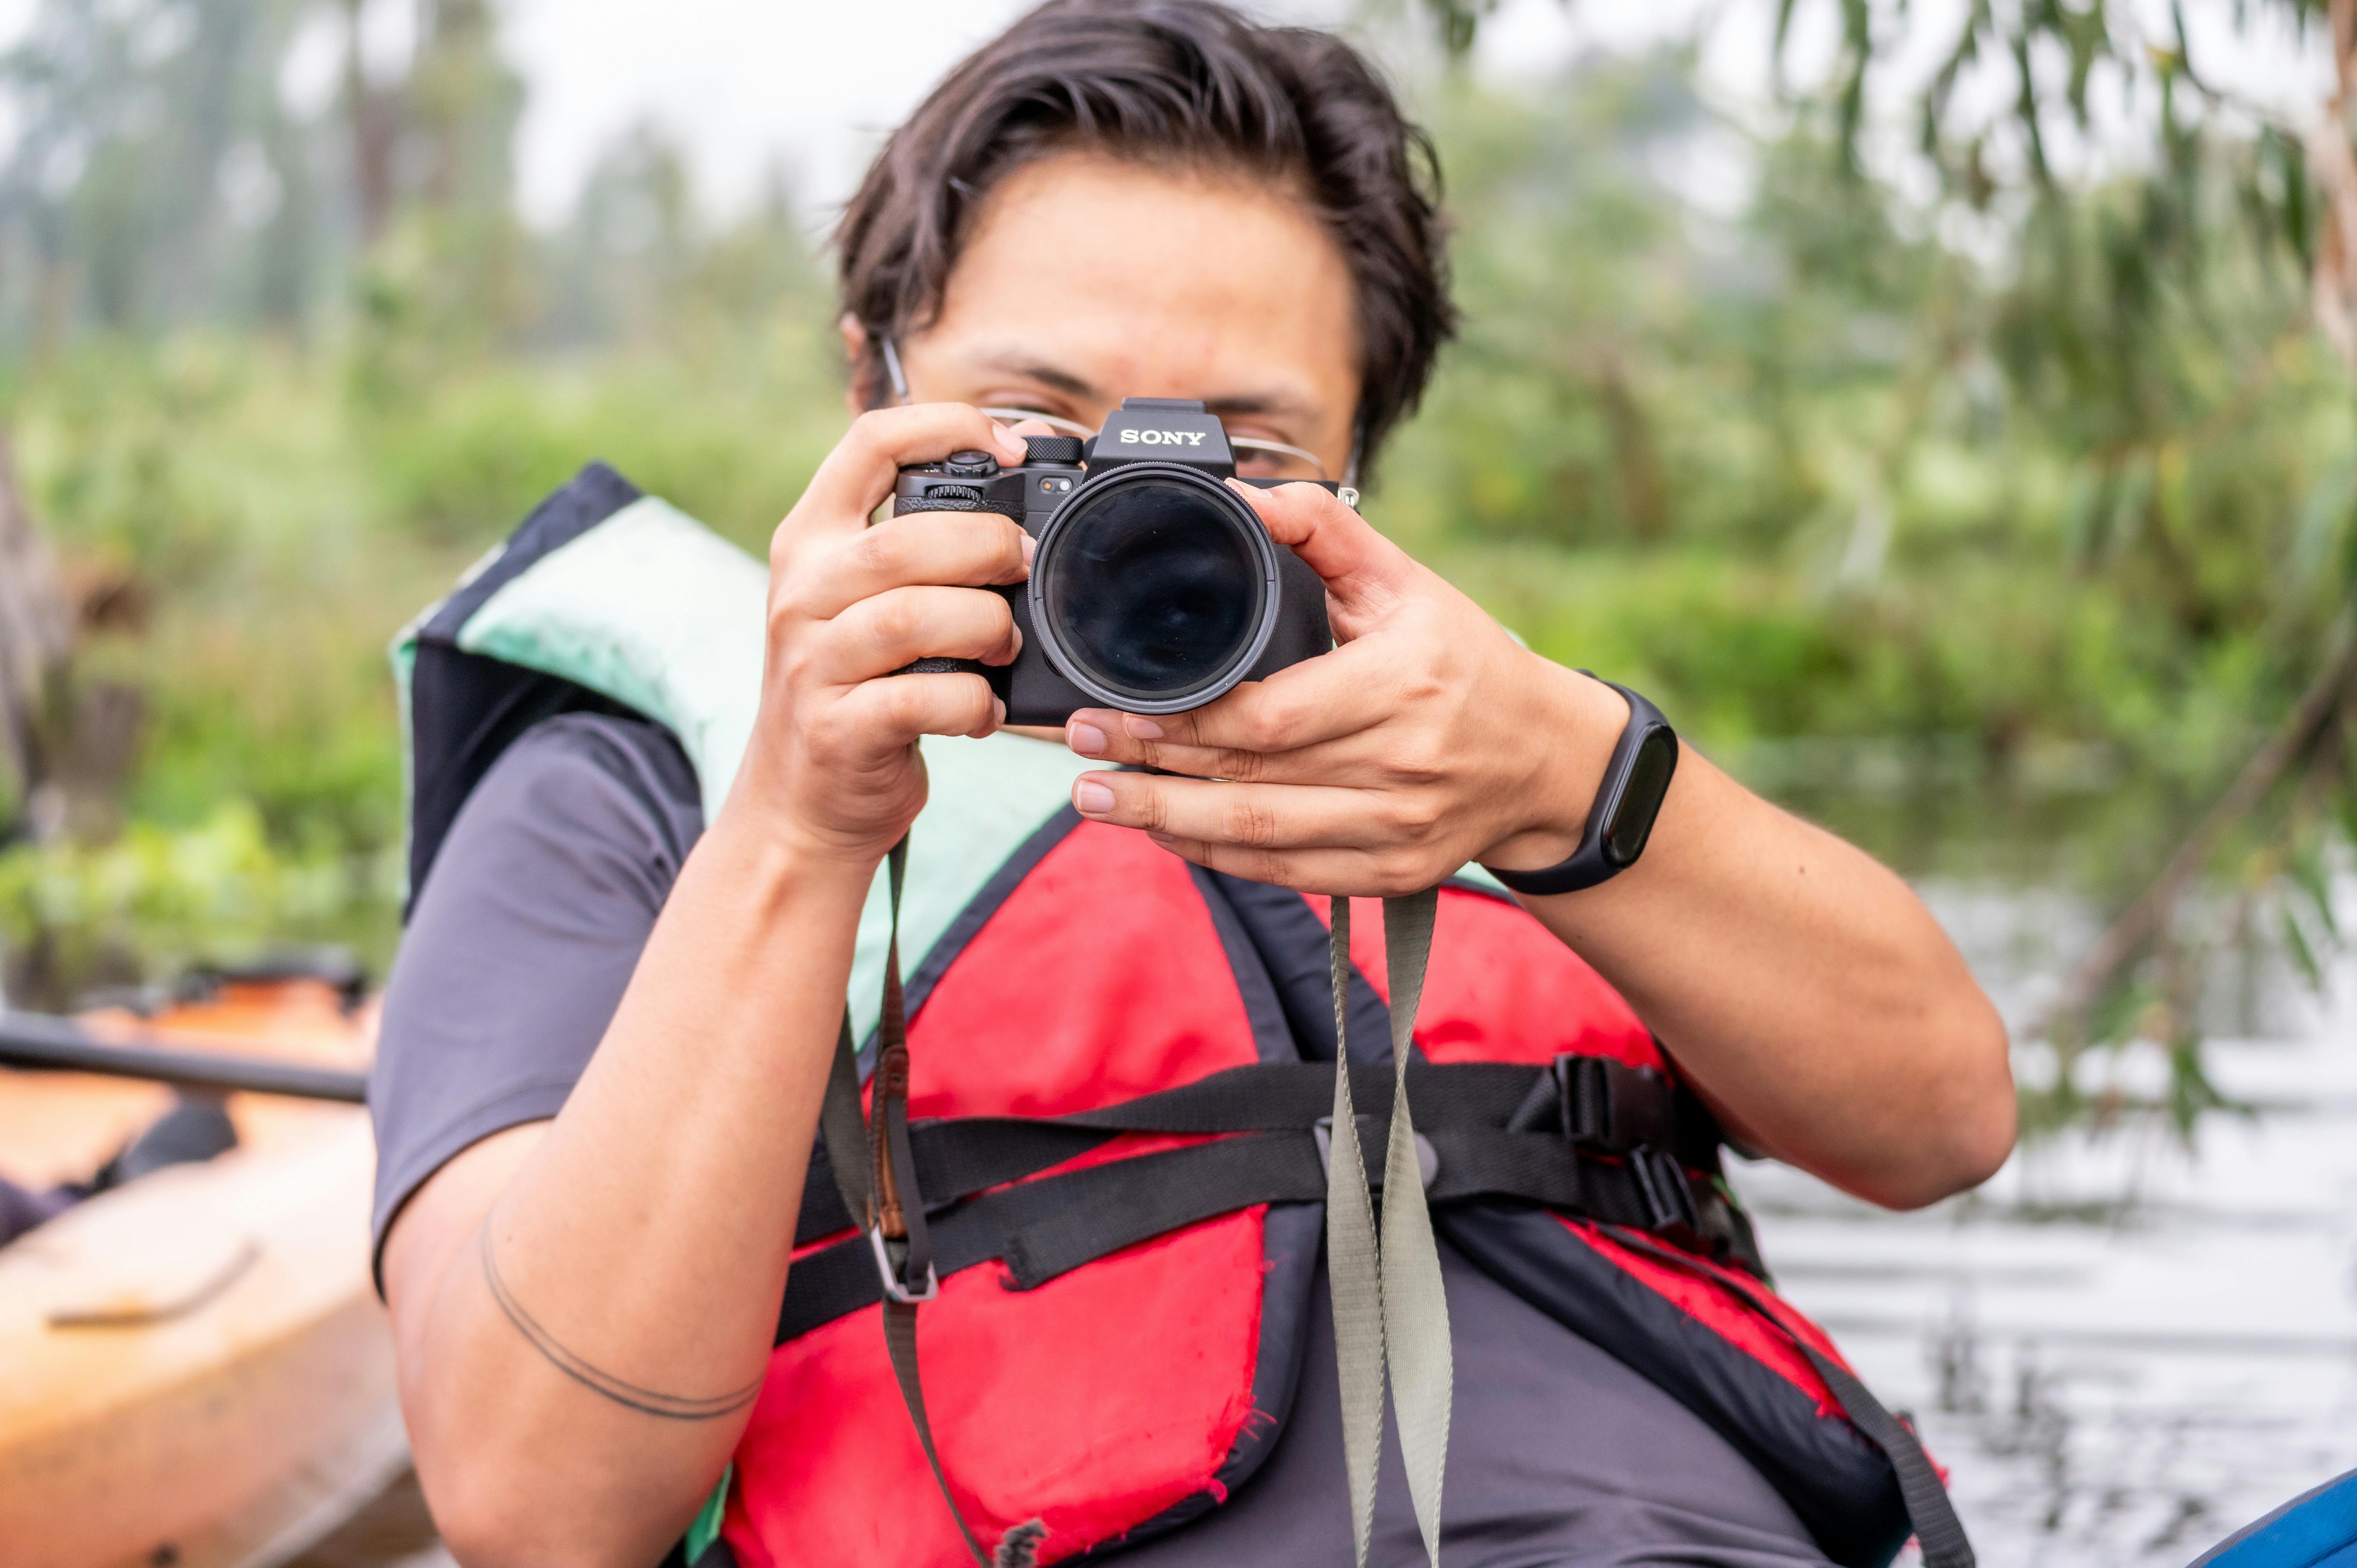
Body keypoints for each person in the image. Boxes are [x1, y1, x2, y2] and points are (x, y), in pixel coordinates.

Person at [368, 5, 2017, 1566]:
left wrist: (1569, 777)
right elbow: (536, 1510)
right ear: (873, 382)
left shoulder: (1479, 748)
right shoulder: (639, 794)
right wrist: (798, 832)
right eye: (1032, 425)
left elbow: (1944, 1120)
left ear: (1362, 460)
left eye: (1245, 451)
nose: (1135, 513)